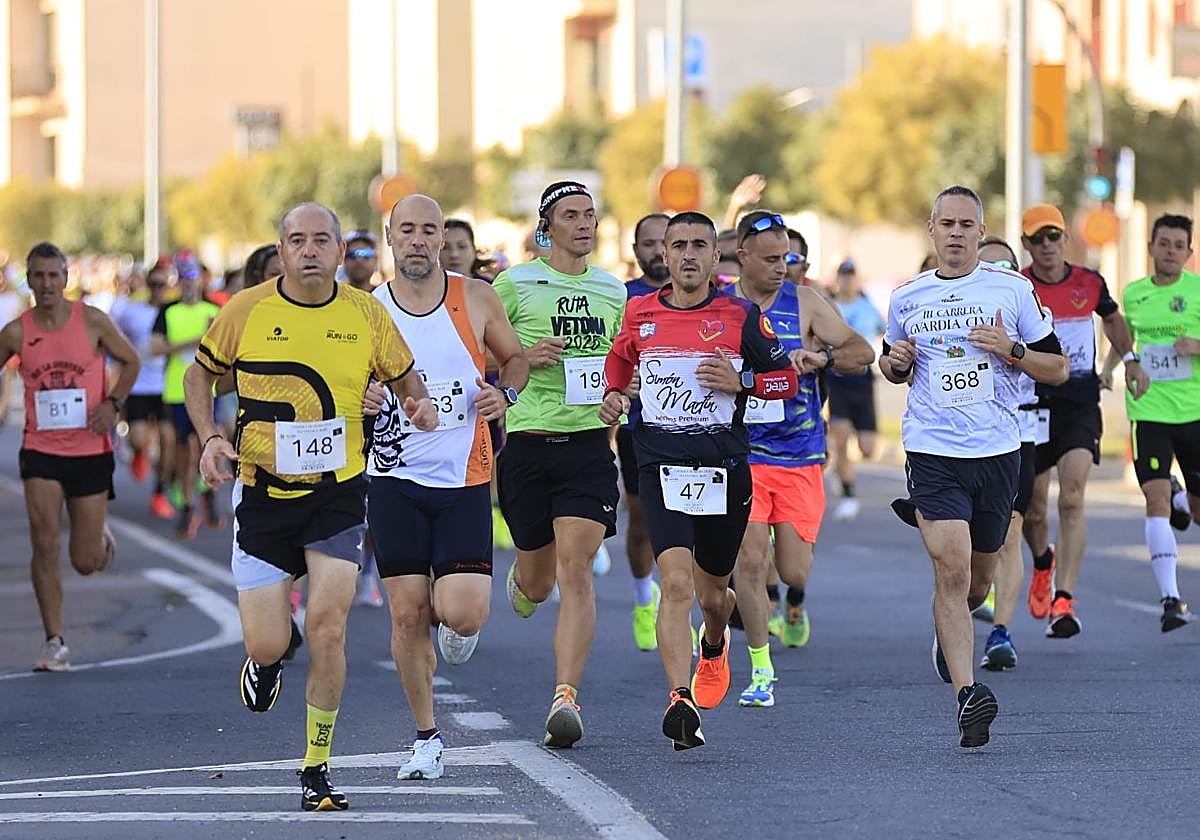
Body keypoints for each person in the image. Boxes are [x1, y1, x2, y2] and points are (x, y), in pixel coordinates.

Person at [184, 202, 435, 812]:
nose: (310, 250)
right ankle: (266, 662)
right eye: (297, 240)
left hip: (338, 493)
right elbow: (198, 377)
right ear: (282, 248)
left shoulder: (365, 313)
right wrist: (212, 438)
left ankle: (315, 767)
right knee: (270, 642)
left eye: (321, 239)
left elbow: (406, 380)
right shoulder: (246, 310)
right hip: (264, 495)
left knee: (328, 626)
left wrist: (419, 403)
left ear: (339, 251)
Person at [600, 210, 798, 749]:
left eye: (699, 245)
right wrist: (615, 397)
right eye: (678, 245)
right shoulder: (639, 312)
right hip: (658, 462)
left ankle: (715, 644)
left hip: (723, 469)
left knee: (715, 597)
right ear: (664, 254)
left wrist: (744, 380)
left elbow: (786, 380)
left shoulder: (740, 314)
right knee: (677, 585)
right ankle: (679, 698)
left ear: (717, 257)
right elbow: (619, 365)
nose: (688, 254)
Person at [881, 186, 1067, 747]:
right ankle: (969, 694)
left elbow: (1056, 367)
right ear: (931, 231)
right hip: (933, 451)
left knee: (979, 578)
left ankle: (950, 628)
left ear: (980, 234)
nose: (957, 233)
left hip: (997, 452)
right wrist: (897, 363)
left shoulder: (1012, 290)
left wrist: (1011, 351)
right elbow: (891, 365)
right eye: (947, 224)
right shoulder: (907, 297)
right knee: (952, 567)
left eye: (967, 224)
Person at [365, 194, 529, 781]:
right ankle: (426, 737)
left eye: (427, 230)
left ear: (442, 239)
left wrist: (502, 394)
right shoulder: (367, 309)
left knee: (459, 613)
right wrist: (366, 400)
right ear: (390, 236)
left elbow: (514, 362)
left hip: (464, 474)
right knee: (407, 616)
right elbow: (346, 385)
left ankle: (457, 619)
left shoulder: (475, 297)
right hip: (392, 476)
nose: (416, 240)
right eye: (405, 229)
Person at [492, 181, 626, 748]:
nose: (583, 224)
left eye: (590, 215)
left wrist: (619, 396)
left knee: (577, 570)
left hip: (589, 447)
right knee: (540, 580)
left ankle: (565, 697)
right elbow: (488, 358)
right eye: (571, 215)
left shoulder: (612, 290)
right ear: (546, 227)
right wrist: (522, 358)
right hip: (527, 445)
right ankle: (522, 581)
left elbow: (623, 364)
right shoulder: (513, 284)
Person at [730, 211, 874, 707]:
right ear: (742, 256)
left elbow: (862, 351)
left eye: (787, 258)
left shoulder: (807, 302)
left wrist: (824, 359)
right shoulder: (722, 305)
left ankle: (791, 598)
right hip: (741, 454)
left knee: (793, 570)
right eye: (770, 259)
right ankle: (760, 669)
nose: (781, 267)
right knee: (748, 561)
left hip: (798, 456)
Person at [0, 242, 140, 672]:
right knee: (43, 543)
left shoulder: (92, 321)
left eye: (53, 276)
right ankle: (54, 642)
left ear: (65, 278)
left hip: (89, 450)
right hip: (40, 449)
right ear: (29, 280)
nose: (46, 284)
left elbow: (131, 362)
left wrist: (112, 404)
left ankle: (99, 537)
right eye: (38, 276)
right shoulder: (17, 331)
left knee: (84, 562)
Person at [1018, 204, 1146, 638]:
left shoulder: (1089, 282)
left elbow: (1113, 319)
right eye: (1038, 238)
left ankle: (1064, 598)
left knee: (1072, 498)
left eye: (1054, 235)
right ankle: (1042, 563)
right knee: (1034, 509)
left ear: (1066, 238)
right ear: (1027, 244)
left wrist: (1125, 361)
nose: (1048, 245)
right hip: (1032, 402)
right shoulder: (1017, 285)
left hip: (1077, 400)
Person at [1112, 213, 1199, 630]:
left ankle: (1185, 500)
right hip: (1148, 411)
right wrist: (1109, 369)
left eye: (1177, 245)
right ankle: (1171, 598)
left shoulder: (1197, 291)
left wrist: (1195, 345)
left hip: (1193, 413)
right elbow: (1123, 338)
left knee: (1195, 514)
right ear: (1150, 247)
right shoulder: (1134, 294)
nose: (1169, 252)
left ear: (1189, 253)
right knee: (1154, 499)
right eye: (1163, 243)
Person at [616, 212, 670, 651]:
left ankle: (675, 605)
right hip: (637, 428)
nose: (657, 251)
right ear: (636, 252)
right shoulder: (623, 297)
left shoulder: (701, 297)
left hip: (691, 427)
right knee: (643, 523)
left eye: (664, 242)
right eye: (648, 243)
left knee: (687, 525)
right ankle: (641, 599)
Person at [151, 254, 221, 538]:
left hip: (208, 390)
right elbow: (156, 349)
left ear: (201, 280)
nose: (188, 284)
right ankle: (188, 503)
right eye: (183, 278)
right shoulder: (168, 311)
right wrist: (195, 341)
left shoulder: (213, 309)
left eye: (193, 278)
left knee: (204, 445)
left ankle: (204, 497)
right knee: (184, 449)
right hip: (176, 390)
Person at [113, 258, 175, 519]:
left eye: (164, 284)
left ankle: (159, 494)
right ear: (148, 284)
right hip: (139, 384)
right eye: (155, 283)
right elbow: (116, 336)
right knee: (138, 438)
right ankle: (139, 450)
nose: (159, 289)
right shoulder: (133, 312)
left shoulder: (174, 312)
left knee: (167, 442)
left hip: (167, 385)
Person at [826, 258, 886, 522]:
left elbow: (885, 333)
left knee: (868, 449)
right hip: (836, 379)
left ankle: (842, 473)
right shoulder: (830, 306)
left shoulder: (867, 307)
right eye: (844, 276)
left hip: (862, 381)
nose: (847, 281)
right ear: (838, 278)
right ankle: (849, 495)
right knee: (840, 438)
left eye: (851, 276)